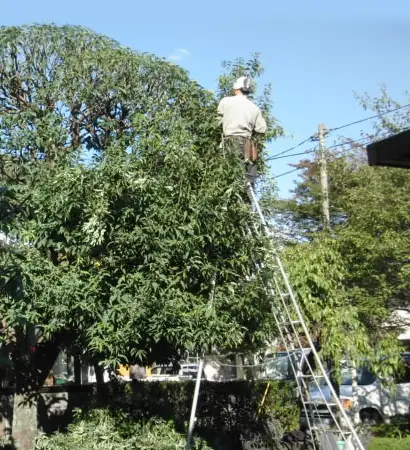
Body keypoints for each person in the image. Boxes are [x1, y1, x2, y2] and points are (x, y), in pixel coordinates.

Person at [217, 76, 267, 186]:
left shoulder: (225, 101)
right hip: (247, 143)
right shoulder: (254, 108)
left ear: (236, 89)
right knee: (249, 174)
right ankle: (248, 191)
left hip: (230, 141)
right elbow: (262, 129)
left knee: (229, 175)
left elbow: (218, 120)